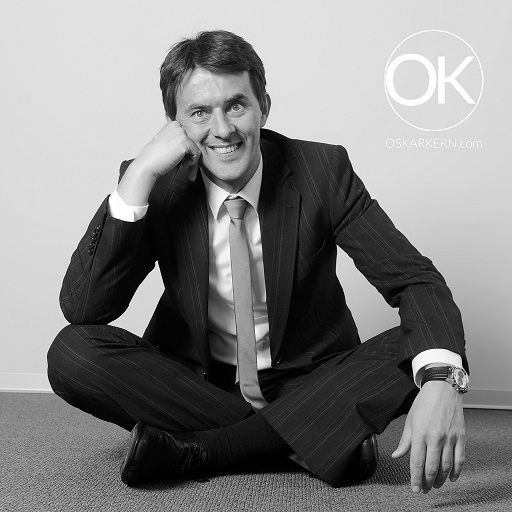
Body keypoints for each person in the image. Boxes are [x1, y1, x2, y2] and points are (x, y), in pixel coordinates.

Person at [47, 30, 469, 493]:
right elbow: (84, 308)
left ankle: (204, 449)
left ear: (263, 106)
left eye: (236, 105)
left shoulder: (322, 170)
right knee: (73, 352)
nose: (222, 129)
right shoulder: (158, 181)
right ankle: (318, 437)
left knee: (424, 343)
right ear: (175, 124)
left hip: (312, 380)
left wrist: (442, 380)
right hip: (198, 385)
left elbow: (414, 281)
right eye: (199, 112)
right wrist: (139, 174)